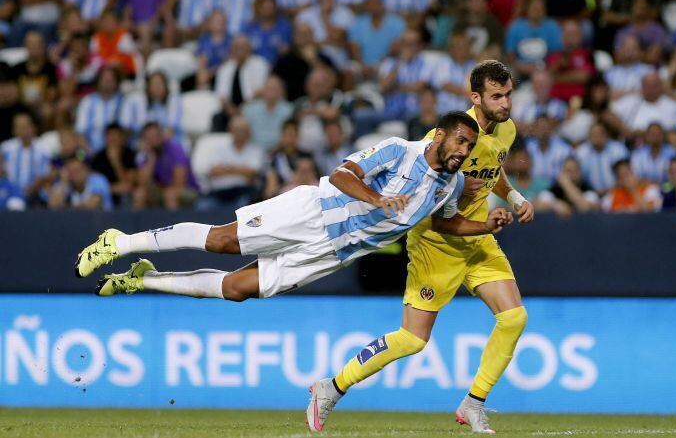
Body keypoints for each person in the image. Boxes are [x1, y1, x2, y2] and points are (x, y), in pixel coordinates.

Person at [77, 113, 513, 320]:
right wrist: (378, 201)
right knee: (223, 240)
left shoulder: (449, 187)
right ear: (440, 135)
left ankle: (141, 279)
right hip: (312, 212)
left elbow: (443, 224)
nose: (462, 151)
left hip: (334, 252)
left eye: (468, 148)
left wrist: (484, 225)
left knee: (238, 289)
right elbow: (343, 173)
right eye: (459, 141)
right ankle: (120, 241)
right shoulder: (399, 149)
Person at [307, 61, 533, 434]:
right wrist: (471, 206)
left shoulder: (505, 130)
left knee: (514, 317)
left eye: (509, 94)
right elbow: (426, 210)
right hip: (436, 243)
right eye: (497, 96)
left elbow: (495, 166)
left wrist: (514, 195)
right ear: (475, 97)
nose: (506, 103)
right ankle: (330, 387)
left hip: (477, 240)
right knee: (412, 339)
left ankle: (473, 404)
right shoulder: (446, 137)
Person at [196, 116, 265, 209]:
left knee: (246, 207)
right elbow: (213, 171)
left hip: (243, 192)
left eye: (243, 130)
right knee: (202, 206)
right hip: (218, 193)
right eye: (238, 130)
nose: (240, 133)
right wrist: (240, 170)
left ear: (249, 132)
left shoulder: (255, 150)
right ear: (230, 130)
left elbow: (253, 172)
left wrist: (227, 169)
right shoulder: (219, 149)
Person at [133, 122, 198, 210]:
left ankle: (173, 223)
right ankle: (138, 223)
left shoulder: (175, 149)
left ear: (162, 134)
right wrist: (151, 158)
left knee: (170, 193)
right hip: (162, 190)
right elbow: (142, 184)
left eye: (156, 136)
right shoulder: (146, 154)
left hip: (187, 189)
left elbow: (179, 182)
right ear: (145, 140)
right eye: (150, 138)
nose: (155, 140)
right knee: (140, 194)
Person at [212, 36, 271, 132]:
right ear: (231, 49)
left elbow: (260, 92)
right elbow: (221, 95)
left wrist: (242, 108)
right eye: (236, 47)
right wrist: (231, 110)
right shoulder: (225, 68)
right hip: (230, 110)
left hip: (253, 108)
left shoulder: (260, 64)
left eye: (242, 47)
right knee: (217, 118)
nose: (239, 50)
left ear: (249, 48)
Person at [348, 0, 406, 79]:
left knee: (390, 68)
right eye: (370, 3)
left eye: (376, 2)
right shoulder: (357, 23)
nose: (373, 5)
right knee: (348, 72)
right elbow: (355, 49)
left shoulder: (397, 23)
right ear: (366, 5)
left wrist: (376, 66)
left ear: (382, 4)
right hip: (362, 64)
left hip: (385, 63)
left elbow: (394, 50)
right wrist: (363, 66)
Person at [505, 0, 562, 78]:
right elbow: (510, 55)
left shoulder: (552, 27)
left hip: (545, 70)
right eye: (534, 7)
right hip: (520, 70)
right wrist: (522, 67)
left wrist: (547, 72)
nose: (537, 10)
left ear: (545, 10)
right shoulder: (515, 26)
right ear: (527, 9)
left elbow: (557, 55)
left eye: (540, 8)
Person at [612, 71, 676, 139]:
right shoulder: (631, 101)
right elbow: (608, 113)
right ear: (642, 86)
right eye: (647, 85)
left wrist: (647, 133)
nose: (650, 89)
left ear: (661, 86)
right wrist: (626, 130)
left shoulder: (672, 105)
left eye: (654, 85)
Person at [1, 112, 50, 201]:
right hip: (10, 194)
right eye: (19, 127)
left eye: (25, 126)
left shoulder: (45, 149)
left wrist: (41, 181)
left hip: (38, 193)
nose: (23, 130)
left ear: (33, 127)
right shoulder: (5, 149)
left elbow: (52, 171)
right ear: (14, 130)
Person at [545, 19, 595, 103]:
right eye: (568, 34)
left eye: (574, 34)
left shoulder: (588, 54)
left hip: (580, 100)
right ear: (562, 36)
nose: (571, 38)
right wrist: (559, 65)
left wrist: (558, 77)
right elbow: (548, 77)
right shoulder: (555, 55)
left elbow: (585, 77)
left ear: (581, 36)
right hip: (555, 101)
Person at [90, 123, 137, 208]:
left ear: (122, 138)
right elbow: (94, 184)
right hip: (105, 195)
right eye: (110, 135)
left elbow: (129, 184)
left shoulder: (129, 154)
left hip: (124, 195)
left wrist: (115, 161)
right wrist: (109, 189)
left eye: (116, 135)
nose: (113, 139)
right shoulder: (98, 157)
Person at [242, 75, 295, 151]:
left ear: (281, 91)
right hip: (253, 150)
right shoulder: (250, 109)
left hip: (280, 150)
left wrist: (276, 149)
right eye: (269, 89)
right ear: (263, 90)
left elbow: (289, 135)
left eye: (275, 89)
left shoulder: (288, 110)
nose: (272, 92)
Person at [574, 122, 629, 193]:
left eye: (600, 133)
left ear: (606, 134)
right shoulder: (581, 153)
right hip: (592, 193)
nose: (597, 137)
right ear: (588, 136)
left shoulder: (618, 149)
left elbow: (627, 173)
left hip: (618, 190)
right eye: (593, 134)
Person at [48, 151, 113, 210]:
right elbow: (53, 205)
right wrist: (63, 182)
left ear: (87, 170)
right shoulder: (65, 182)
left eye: (78, 170)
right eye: (71, 171)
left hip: (104, 221)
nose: (75, 174)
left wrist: (65, 207)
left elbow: (92, 205)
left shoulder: (98, 180)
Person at [243, 0, 292, 65]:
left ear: (275, 8)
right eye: (264, 7)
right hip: (254, 67)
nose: (268, 10)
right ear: (258, 8)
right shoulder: (250, 28)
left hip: (278, 66)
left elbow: (287, 49)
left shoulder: (285, 26)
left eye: (270, 7)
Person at [195, 10, 232, 89]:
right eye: (216, 20)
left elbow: (229, 61)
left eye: (222, 20)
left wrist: (214, 72)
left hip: (225, 74)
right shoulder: (204, 40)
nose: (220, 23)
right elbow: (202, 61)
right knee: (202, 75)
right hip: (209, 74)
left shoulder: (230, 40)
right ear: (209, 23)